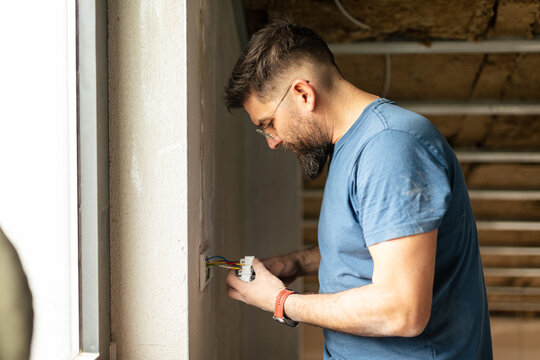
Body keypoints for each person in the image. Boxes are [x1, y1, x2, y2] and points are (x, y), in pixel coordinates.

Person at [224, 19, 493, 359]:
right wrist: (297, 262)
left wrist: (280, 302)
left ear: (303, 94)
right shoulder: (356, 147)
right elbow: (376, 248)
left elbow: (401, 310)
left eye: (268, 125)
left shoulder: (389, 148)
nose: (273, 142)